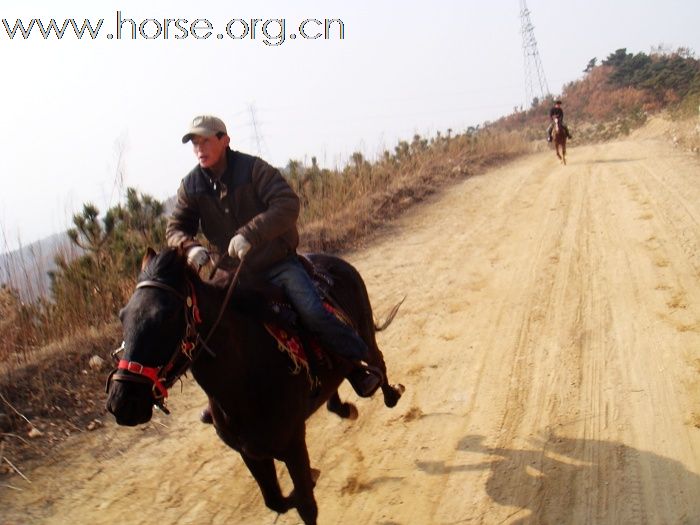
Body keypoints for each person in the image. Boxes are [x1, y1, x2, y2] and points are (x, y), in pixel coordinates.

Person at [166, 115, 381, 422]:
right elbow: (175, 227)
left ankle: (358, 364)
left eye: (205, 141)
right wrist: (190, 247)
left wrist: (249, 234)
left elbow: (287, 204)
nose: (200, 148)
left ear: (224, 140)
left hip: (276, 262)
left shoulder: (253, 169)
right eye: (195, 143)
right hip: (231, 271)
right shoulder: (192, 185)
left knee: (312, 312)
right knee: (209, 326)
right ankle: (221, 400)